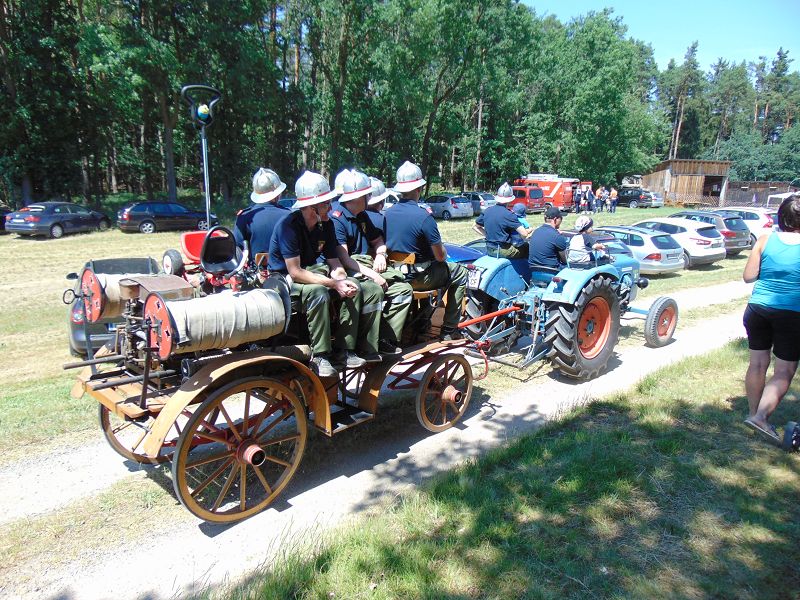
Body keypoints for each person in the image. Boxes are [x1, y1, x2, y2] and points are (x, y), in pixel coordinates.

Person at [268, 170, 373, 377]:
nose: (330, 207)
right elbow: (295, 272)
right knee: (318, 293)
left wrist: (342, 279)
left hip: (311, 275)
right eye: (326, 203)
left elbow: (334, 262)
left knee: (355, 286)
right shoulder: (288, 227)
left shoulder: (327, 225)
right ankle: (320, 355)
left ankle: (345, 349)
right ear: (310, 207)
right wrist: (333, 284)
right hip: (283, 282)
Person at [384, 160, 468, 340]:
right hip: (417, 279)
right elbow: (440, 256)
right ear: (418, 189)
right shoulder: (424, 217)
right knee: (460, 273)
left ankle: (423, 317)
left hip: (392, 274)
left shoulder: (386, 214)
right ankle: (449, 329)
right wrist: (443, 252)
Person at [331, 169, 411, 354]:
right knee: (373, 290)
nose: (370, 197)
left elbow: (377, 241)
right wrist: (374, 275)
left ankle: (384, 338)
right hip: (348, 269)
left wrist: (381, 254)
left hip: (365, 266)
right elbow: (343, 258)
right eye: (367, 194)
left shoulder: (362, 215)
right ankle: (364, 344)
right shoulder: (337, 218)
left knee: (403, 289)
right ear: (360, 197)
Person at [742, 194, 800, 442]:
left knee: (757, 363)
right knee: (784, 370)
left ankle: (754, 414)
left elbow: (748, 276)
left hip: (757, 309)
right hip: (791, 313)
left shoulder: (764, 241)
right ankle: (760, 417)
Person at [233, 168, 289, 260]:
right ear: (278, 194)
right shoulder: (289, 215)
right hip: (285, 270)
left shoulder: (244, 217)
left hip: (255, 272)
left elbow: (237, 248)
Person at [472, 182, 532, 258]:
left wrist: (488, 235)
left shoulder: (487, 211)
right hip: (503, 251)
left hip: (490, 249)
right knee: (527, 246)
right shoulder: (509, 215)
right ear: (510, 199)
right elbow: (524, 234)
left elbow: (475, 226)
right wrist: (529, 230)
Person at [528, 206, 569, 270]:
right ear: (555, 219)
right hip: (551, 270)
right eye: (561, 218)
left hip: (533, 268)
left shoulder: (536, 231)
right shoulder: (557, 236)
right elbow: (565, 260)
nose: (561, 220)